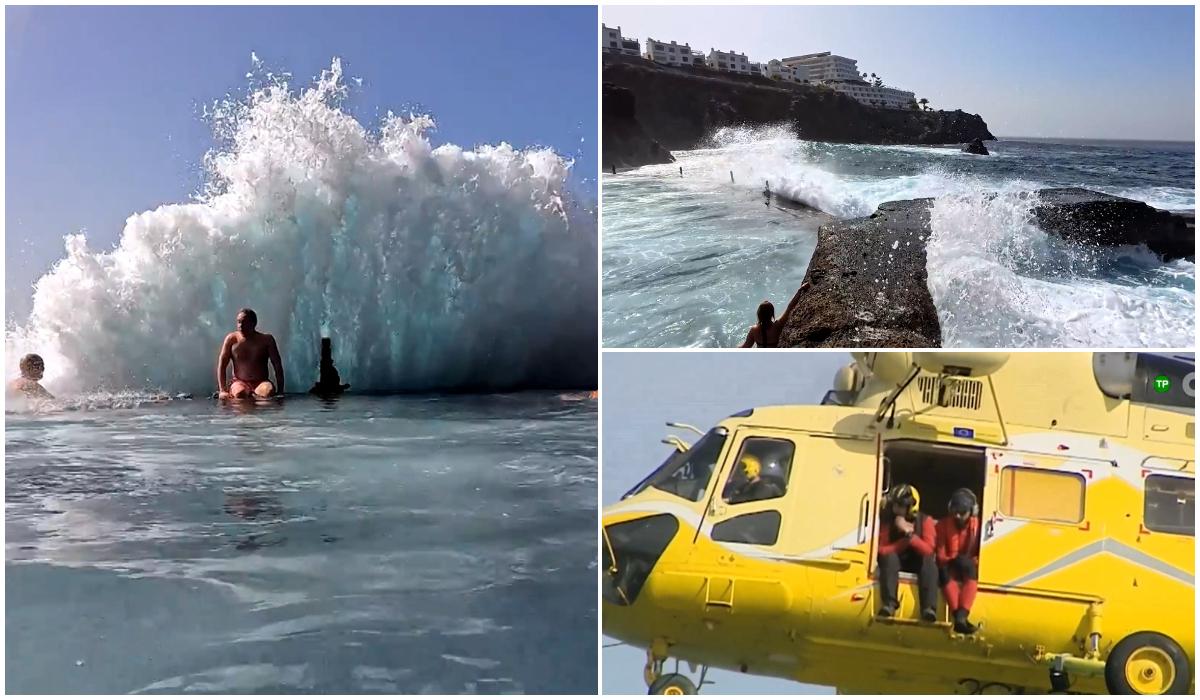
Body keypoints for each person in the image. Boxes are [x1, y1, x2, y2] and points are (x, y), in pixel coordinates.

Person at [877, 483, 938, 622]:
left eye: (900, 506)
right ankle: (889, 603)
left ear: (911, 507)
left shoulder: (925, 521)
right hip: (896, 561)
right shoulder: (888, 520)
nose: (896, 509)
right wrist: (902, 543)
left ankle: (929, 608)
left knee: (929, 563)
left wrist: (910, 536)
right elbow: (882, 549)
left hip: (918, 562)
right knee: (889, 558)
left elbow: (928, 550)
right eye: (895, 505)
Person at [938, 488, 981, 634]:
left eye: (962, 513)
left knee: (969, 568)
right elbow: (940, 553)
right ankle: (960, 618)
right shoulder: (943, 525)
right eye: (955, 512)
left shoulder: (979, 527)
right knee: (943, 572)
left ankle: (961, 616)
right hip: (949, 565)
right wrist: (952, 559)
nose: (957, 516)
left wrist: (971, 561)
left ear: (972, 512)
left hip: (968, 566)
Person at [216, 308, 285, 399]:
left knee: (268, 392)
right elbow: (222, 365)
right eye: (239, 322)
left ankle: (263, 412)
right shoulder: (231, 339)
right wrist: (222, 390)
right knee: (240, 394)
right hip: (239, 382)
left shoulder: (267, 340)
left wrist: (280, 391)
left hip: (261, 382)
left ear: (253, 323)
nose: (241, 325)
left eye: (244, 322)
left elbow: (277, 365)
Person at [741, 281, 811, 348]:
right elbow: (790, 307)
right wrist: (800, 289)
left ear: (759, 314)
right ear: (772, 314)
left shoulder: (754, 330)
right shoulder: (777, 326)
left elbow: (746, 347)